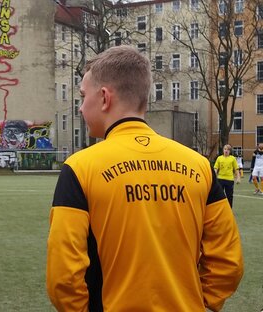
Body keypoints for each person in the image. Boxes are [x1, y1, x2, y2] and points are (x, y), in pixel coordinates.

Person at [46, 46, 243, 311]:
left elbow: (64, 273)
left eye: (83, 96)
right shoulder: (199, 166)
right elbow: (228, 261)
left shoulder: (80, 168)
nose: (81, 108)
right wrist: (204, 303)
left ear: (104, 98)